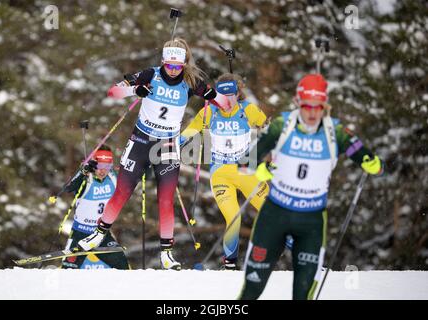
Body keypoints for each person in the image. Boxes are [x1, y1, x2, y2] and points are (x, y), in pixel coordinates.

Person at [238, 73, 383, 299]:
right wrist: (261, 169)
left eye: (318, 107)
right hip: (274, 215)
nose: (313, 113)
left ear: (325, 106)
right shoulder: (281, 125)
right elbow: (247, 162)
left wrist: (371, 162)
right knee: (252, 290)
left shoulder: (335, 132)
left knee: (303, 293)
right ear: (298, 103)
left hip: (311, 221)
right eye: (307, 106)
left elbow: (362, 155)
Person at [77, 38, 217, 270]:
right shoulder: (150, 75)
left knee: (165, 199)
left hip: (168, 145)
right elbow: (113, 92)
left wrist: (220, 100)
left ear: (184, 65)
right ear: (163, 62)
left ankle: (166, 253)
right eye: (169, 66)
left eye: (177, 67)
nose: (172, 71)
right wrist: (134, 90)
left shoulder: (192, 81)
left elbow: (220, 101)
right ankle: (98, 234)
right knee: (122, 191)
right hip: (141, 140)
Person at [180, 73, 271, 270]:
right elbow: (190, 131)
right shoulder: (209, 111)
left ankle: (302, 259)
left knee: (273, 213)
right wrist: (172, 145)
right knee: (233, 217)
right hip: (221, 173)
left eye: (231, 96)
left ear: (238, 94)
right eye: (222, 97)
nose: (227, 102)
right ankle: (229, 264)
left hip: (247, 172)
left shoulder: (249, 110)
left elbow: (268, 129)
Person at [62, 145, 129, 269]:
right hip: (80, 234)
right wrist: (82, 171)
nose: (103, 171)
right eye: (99, 166)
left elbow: (137, 174)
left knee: (122, 265)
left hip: (101, 234)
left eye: (107, 167)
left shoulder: (113, 177)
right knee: (69, 271)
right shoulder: (86, 179)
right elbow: (69, 187)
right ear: (94, 164)